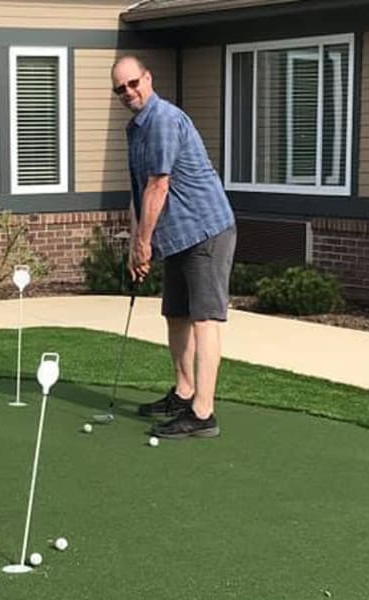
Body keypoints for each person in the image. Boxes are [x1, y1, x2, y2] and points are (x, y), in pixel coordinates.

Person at [110, 55, 237, 439]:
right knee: (176, 314)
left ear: (148, 79)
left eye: (134, 83)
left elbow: (158, 185)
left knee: (205, 318)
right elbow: (139, 191)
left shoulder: (162, 119)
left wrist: (145, 243)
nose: (129, 91)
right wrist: (136, 243)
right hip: (180, 235)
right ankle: (184, 393)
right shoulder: (137, 127)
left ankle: (202, 413)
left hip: (206, 230)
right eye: (121, 88)